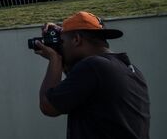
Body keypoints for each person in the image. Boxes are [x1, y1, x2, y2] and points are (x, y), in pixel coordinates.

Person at [35, 11, 150, 139]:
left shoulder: (93, 66)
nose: (61, 47)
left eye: (61, 42)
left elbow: (48, 106)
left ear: (77, 39)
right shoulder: (130, 69)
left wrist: (55, 59)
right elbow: (75, 89)